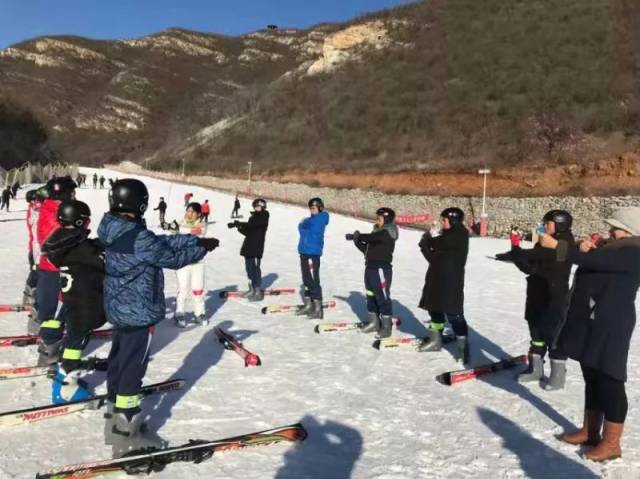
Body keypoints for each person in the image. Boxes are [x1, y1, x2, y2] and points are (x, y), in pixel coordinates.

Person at [98, 179, 218, 456]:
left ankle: (114, 412)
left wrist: (192, 239)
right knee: (133, 366)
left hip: (119, 307)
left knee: (120, 358)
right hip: (138, 310)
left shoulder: (113, 228)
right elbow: (169, 257)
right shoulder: (137, 236)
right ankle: (126, 430)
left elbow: (157, 241)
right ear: (139, 203)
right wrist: (201, 248)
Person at [540, 207, 640, 462]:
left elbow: (597, 263)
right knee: (592, 375)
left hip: (611, 324)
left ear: (627, 230)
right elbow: (599, 261)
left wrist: (559, 247)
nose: (609, 230)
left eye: (614, 227)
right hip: (592, 322)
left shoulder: (634, 251)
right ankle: (590, 431)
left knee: (610, 379)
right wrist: (588, 249)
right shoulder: (615, 249)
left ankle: (611, 443)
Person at [497, 210, 574, 389]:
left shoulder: (565, 243)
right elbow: (530, 266)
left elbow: (553, 255)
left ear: (560, 224)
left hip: (554, 296)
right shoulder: (544, 242)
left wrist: (518, 253)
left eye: (548, 223)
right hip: (536, 293)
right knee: (536, 333)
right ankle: (535, 369)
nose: (544, 227)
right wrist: (516, 249)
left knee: (553, 335)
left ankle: (557, 376)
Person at [42, 200, 106, 404]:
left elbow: (86, 252)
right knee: (75, 342)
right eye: (87, 221)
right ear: (80, 222)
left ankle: (66, 378)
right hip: (83, 302)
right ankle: (65, 388)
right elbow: (98, 259)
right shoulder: (78, 247)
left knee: (74, 340)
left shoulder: (64, 242)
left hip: (74, 300)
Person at [417, 207, 470, 363]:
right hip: (436, 279)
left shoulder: (460, 234)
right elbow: (433, 258)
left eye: (444, 220)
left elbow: (441, 242)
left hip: (451, 281)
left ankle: (463, 346)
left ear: (453, 220)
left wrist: (430, 238)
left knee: (454, 313)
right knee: (434, 309)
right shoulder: (445, 236)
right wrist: (424, 246)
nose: (441, 223)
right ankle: (436, 340)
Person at [36, 177, 77, 365]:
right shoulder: (61, 212)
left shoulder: (47, 207)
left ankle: (47, 342)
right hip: (58, 269)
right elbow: (64, 240)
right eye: (72, 193)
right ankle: (50, 349)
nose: (75, 197)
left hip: (47, 267)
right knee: (58, 310)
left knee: (48, 309)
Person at [348, 207, 398, 338]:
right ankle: (374, 322)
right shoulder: (377, 233)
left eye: (379, 218)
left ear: (386, 219)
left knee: (382, 297)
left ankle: (386, 326)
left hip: (381, 269)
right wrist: (356, 240)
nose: (377, 220)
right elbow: (367, 250)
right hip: (370, 268)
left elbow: (370, 237)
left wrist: (359, 236)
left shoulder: (388, 232)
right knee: (370, 296)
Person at [173, 202, 211, 327]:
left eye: (192, 212)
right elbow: (174, 237)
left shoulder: (202, 224)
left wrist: (177, 228)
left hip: (197, 263)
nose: (189, 214)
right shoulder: (179, 223)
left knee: (198, 290)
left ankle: (199, 313)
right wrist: (170, 226)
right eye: (188, 211)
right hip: (183, 262)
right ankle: (179, 313)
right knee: (183, 289)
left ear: (199, 214)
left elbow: (193, 232)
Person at [228, 198, 269, 301]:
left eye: (258, 206)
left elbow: (255, 225)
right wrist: (238, 227)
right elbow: (249, 232)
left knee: (255, 269)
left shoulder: (264, 216)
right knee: (249, 269)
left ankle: (258, 291)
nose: (256, 208)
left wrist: (240, 223)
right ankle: (251, 289)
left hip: (256, 247)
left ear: (263, 206)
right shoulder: (253, 217)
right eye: (255, 206)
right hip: (248, 246)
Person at [296, 197, 330, 319]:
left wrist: (303, 223)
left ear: (320, 208)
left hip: (312, 253)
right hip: (304, 252)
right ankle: (308, 304)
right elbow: (301, 230)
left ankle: (318, 309)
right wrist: (302, 224)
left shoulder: (321, 218)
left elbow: (306, 225)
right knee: (306, 280)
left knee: (313, 281)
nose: (312, 210)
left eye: (314, 208)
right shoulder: (311, 219)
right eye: (310, 208)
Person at [23, 189, 44, 310]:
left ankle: (30, 294)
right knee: (37, 272)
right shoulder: (33, 210)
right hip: (36, 249)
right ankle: (31, 295)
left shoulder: (34, 209)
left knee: (36, 272)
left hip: (36, 248)